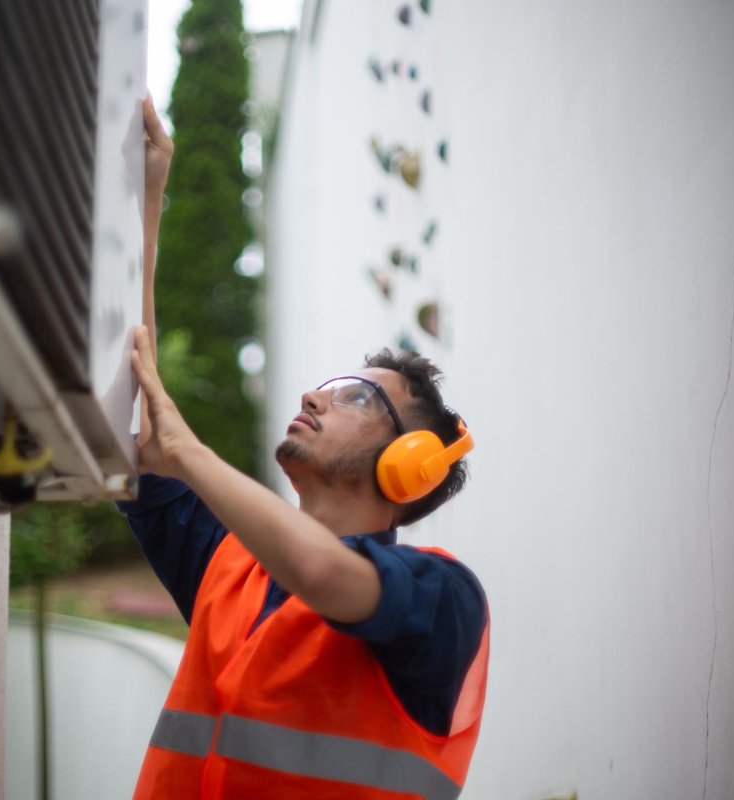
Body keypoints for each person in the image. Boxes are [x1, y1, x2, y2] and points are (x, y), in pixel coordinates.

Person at [121, 98, 488, 799]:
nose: (315, 397)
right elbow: (139, 420)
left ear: (408, 465)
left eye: (356, 397)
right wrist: (148, 200)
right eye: (326, 386)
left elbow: (326, 577)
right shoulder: (231, 566)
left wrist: (188, 452)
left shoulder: (443, 598)